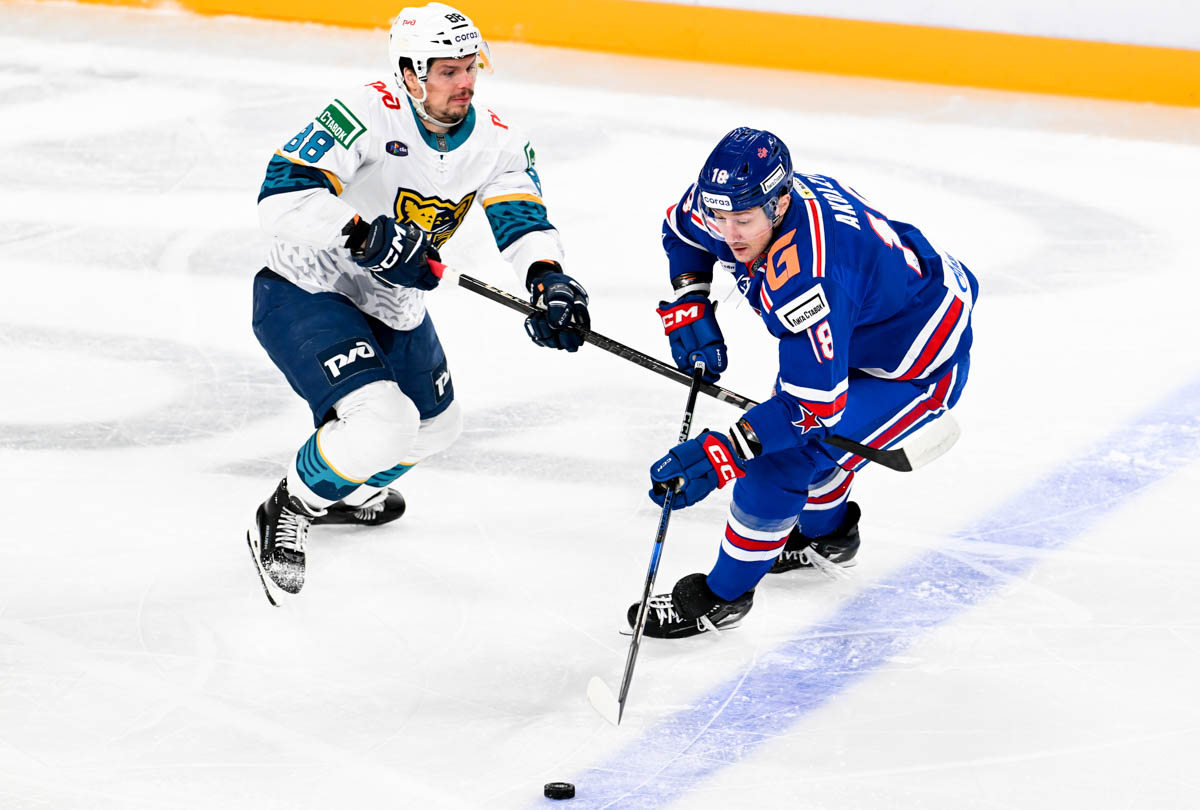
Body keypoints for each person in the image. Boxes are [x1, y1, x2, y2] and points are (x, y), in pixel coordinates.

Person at [246, 2, 590, 600]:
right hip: (309, 285)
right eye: (448, 71)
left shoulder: (498, 141)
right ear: (409, 73)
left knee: (436, 429)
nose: (465, 83)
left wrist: (548, 279)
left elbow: (522, 219)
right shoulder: (365, 111)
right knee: (385, 422)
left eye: (470, 68)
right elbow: (281, 197)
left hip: (394, 300)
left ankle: (342, 489)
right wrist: (362, 234)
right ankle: (288, 507)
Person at [632, 127, 978, 638]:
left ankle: (722, 598)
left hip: (914, 362)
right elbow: (681, 232)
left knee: (778, 461)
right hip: (866, 319)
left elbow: (812, 408)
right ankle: (829, 536)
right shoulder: (733, 202)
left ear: (779, 204)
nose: (729, 234)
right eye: (720, 218)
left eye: (743, 221)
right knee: (806, 447)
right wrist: (690, 300)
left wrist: (721, 453)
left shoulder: (808, 275)